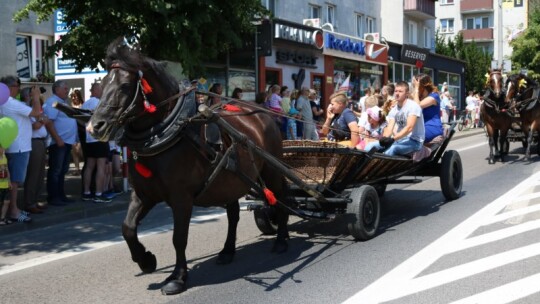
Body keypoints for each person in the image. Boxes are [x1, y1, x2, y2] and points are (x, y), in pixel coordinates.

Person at [0, 76, 42, 222]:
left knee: (12, 181)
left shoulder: (6, 102)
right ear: (10, 87)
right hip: (19, 147)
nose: (19, 88)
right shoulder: (10, 103)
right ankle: (14, 211)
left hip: (15, 145)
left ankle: (12, 209)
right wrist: (36, 97)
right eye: (17, 85)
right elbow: (37, 112)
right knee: (15, 182)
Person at [365, 81, 425, 156]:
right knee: (369, 146)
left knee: (391, 150)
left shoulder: (413, 106)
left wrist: (393, 139)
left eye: (400, 91)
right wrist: (384, 139)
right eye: (396, 91)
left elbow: (409, 128)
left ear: (407, 93)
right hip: (399, 140)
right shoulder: (394, 110)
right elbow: (389, 129)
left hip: (415, 141)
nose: (397, 93)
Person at [43, 80, 78, 206]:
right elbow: (49, 122)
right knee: (56, 170)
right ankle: (53, 197)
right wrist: (57, 139)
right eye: (65, 88)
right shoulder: (52, 102)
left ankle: (61, 195)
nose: (67, 90)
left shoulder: (63, 103)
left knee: (63, 170)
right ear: (57, 89)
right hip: (58, 143)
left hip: (65, 142)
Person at [80, 83, 112, 203]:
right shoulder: (98, 103)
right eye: (101, 89)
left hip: (89, 139)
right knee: (101, 166)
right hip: (99, 138)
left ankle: (86, 192)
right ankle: (99, 193)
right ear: (96, 90)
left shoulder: (85, 103)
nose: (103, 92)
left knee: (89, 166)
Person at [21, 87, 50, 214]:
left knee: (40, 174)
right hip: (34, 142)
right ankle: (29, 203)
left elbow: (44, 121)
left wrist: (42, 120)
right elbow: (36, 125)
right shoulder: (27, 110)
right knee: (33, 174)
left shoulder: (35, 110)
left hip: (41, 142)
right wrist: (42, 119)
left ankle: (35, 199)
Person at [411, 74, 444, 143]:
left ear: (421, 86)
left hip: (432, 127)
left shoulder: (434, 96)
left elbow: (417, 106)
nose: (413, 87)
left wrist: (416, 89)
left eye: (415, 85)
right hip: (420, 127)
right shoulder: (419, 98)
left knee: (412, 138)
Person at [69, 89, 84, 175]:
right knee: (74, 151)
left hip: (81, 130)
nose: (74, 98)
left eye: (75, 96)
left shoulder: (83, 106)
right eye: (72, 96)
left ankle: (85, 167)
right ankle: (77, 169)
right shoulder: (70, 106)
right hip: (73, 130)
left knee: (80, 150)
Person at [0, 146, 13, 225]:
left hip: (5, 184)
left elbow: (7, 169)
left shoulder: (4, 157)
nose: (2, 149)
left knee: (6, 202)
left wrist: (9, 181)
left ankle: (3, 218)